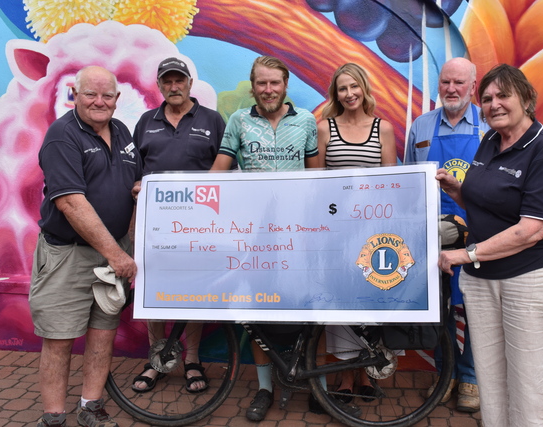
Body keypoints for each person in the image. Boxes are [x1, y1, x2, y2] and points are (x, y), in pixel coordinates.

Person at [436, 63, 543, 426]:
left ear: (526, 98)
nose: (494, 104)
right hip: (484, 280)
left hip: (528, 278)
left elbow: (532, 229)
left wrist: (466, 254)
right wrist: (458, 191)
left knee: (526, 388)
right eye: (487, 98)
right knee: (491, 383)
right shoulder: (490, 141)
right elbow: (489, 204)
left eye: (503, 95)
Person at [29, 66, 142, 427]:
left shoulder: (121, 131)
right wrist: (118, 254)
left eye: (107, 95)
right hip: (69, 254)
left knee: (103, 333)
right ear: (75, 95)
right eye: (90, 94)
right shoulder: (62, 136)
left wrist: (139, 190)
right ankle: (54, 415)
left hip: (113, 253)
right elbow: (70, 202)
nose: (99, 102)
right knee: (59, 337)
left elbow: (132, 182)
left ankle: (90, 405)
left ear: (117, 99)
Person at [210, 56, 321, 421]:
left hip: (297, 234)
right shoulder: (238, 121)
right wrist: (185, 200)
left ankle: (314, 383)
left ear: (285, 85)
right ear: (253, 85)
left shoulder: (306, 121)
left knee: (308, 307)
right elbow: (218, 172)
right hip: (253, 236)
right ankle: (264, 389)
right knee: (255, 311)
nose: (269, 90)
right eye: (262, 83)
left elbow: (317, 179)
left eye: (275, 83)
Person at [130, 57, 235, 394]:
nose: (174, 87)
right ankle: (157, 358)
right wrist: (136, 185)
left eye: (179, 80)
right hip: (155, 225)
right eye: (167, 81)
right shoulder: (146, 122)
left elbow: (227, 168)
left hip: (199, 224)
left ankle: (192, 359)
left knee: (193, 290)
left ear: (190, 83)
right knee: (154, 288)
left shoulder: (212, 120)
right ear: (160, 86)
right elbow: (134, 169)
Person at [405, 57, 489, 412]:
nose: (451, 89)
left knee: (474, 307)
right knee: (438, 308)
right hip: (432, 234)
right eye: (445, 82)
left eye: (459, 83)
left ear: (472, 87)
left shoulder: (489, 126)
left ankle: (470, 377)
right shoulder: (421, 126)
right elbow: (409, 182)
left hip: (479, 233)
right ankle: (446, 374)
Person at [317, 62, 396, 402]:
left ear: (364, 88)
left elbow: (390, 184)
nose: (349, 94)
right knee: (339, 305)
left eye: (354, 86)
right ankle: (345, 377)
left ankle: (365, 373)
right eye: (342, 88)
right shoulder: (325, 128)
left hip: (371, 231)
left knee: (367, 304)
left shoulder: (383, 129)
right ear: (335, 94)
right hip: (335, 231)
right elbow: (317, 183)